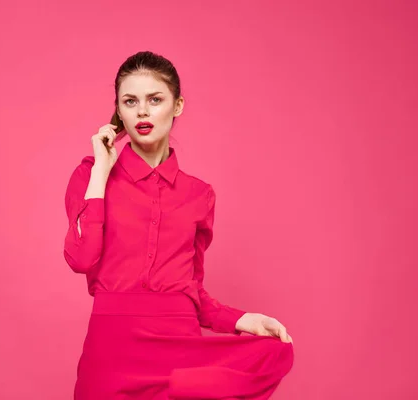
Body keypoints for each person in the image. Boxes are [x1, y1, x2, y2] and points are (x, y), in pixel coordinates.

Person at [63, 51, 294, 400]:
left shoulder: (199, 195)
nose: (142, 111)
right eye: (130, 101)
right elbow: (81, 259)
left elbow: (190, 290)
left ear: (178, 105)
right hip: (112, 351)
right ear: (119, 111)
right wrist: (100, 171)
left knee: (277, 354)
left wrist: (243, 320)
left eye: (155, 100)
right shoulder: (90, 176)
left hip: (179, 351)